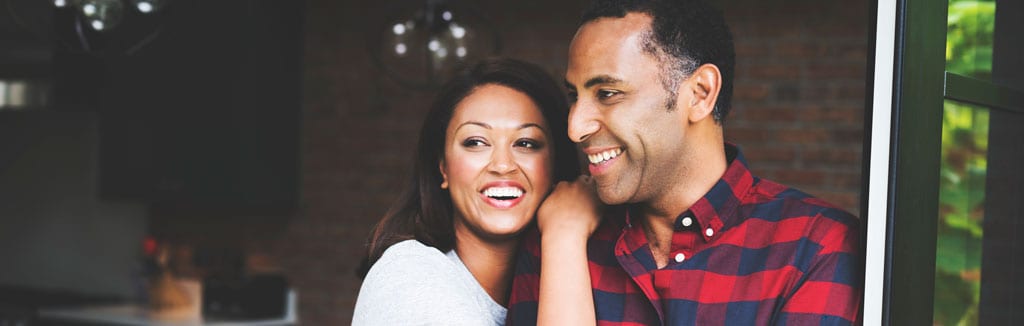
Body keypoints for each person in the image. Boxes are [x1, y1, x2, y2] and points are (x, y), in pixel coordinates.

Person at [507, 0, 862, 325]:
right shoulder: (558, 235)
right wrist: (562, 238)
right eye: (574, 96)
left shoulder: (816, 247)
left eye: (608, 94)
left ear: (700, 94)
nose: (574, 127)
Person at [351, 57, 589, 325]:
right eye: (476, 142)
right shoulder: (410, 276)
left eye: (526, 143)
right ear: (442, 168)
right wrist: (564, 234)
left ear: (555, 167)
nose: (502, 165)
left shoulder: (568, 281)